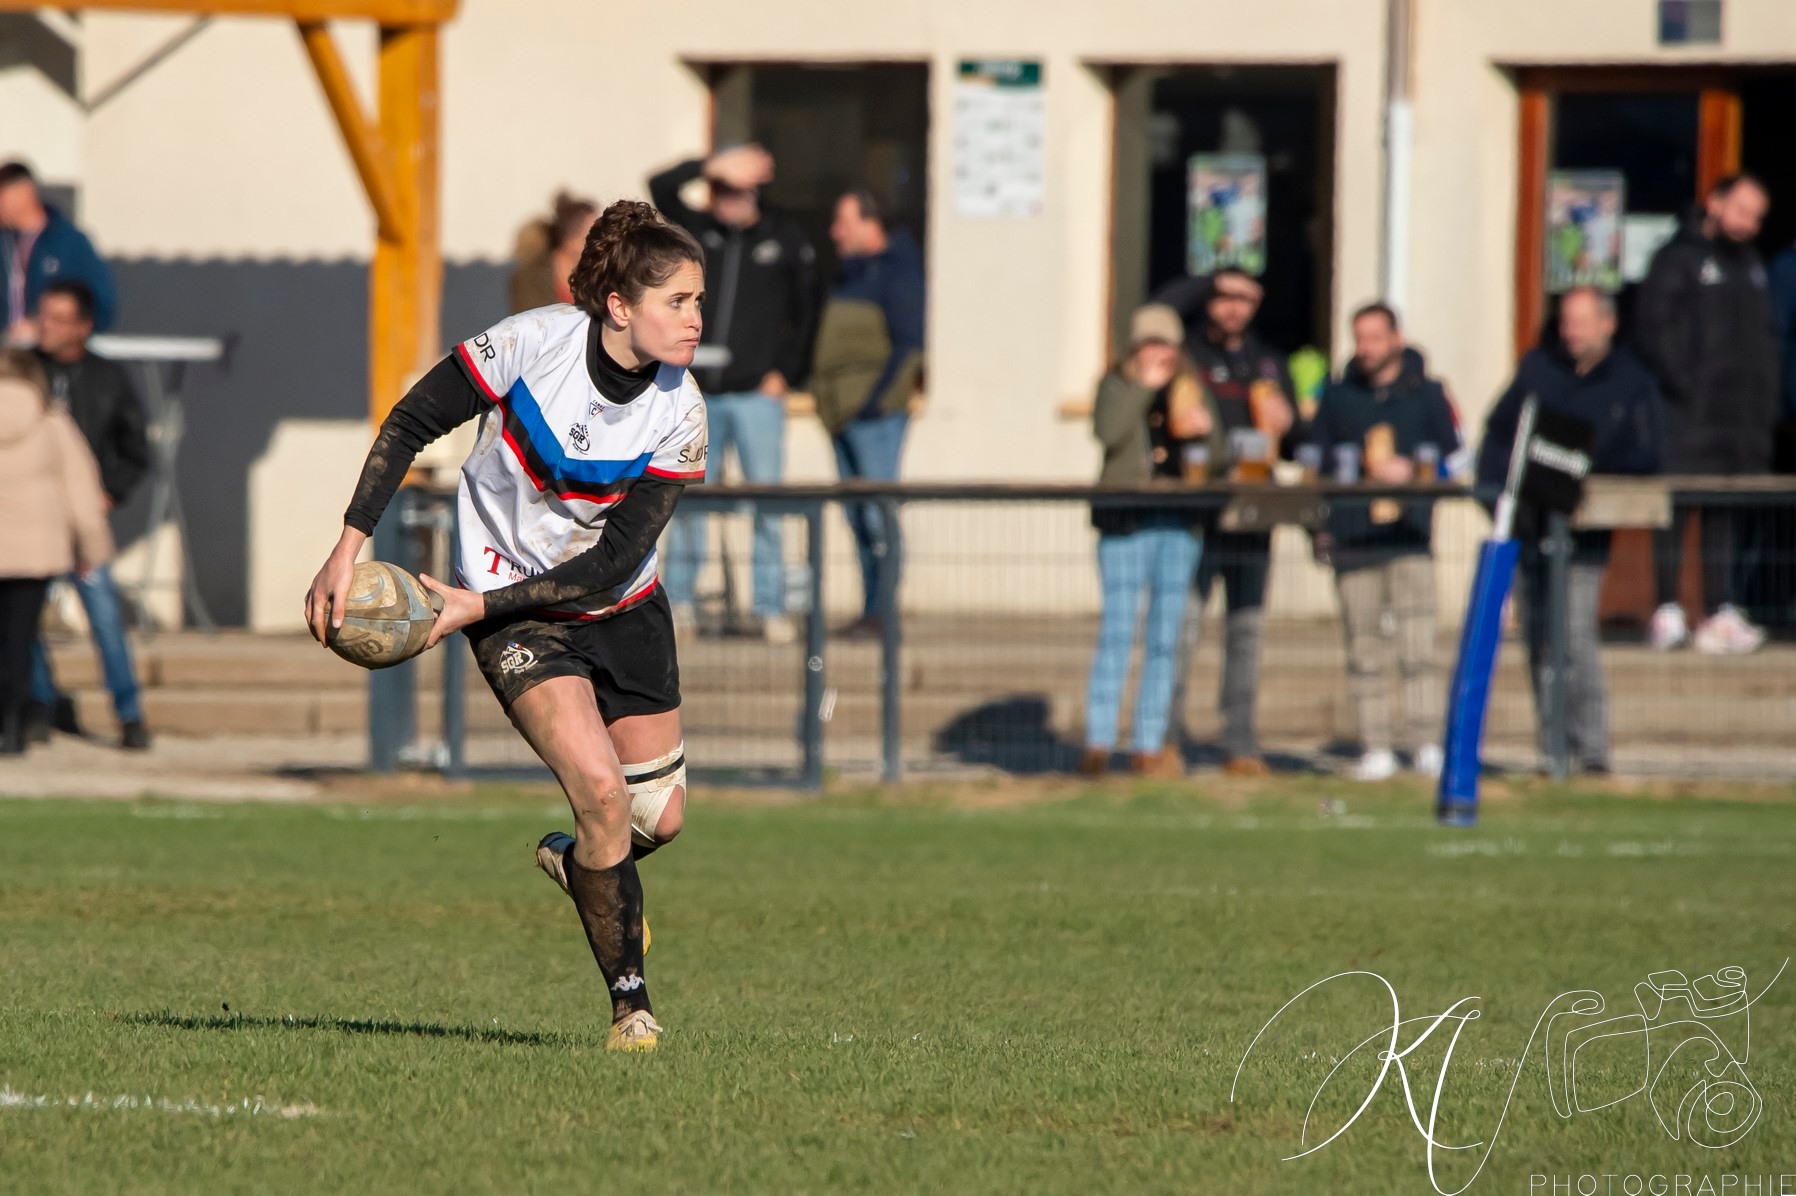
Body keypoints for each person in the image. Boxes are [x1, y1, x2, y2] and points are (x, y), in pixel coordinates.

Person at [304, 200, 710, 1052]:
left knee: (655, 820)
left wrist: (463, 611)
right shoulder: (533, 343)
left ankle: (578, 864)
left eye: (699, 301)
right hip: (515, 612)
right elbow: (413, 419)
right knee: (601, 795)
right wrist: (349, 547)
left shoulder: (683, 409)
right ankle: (630, 1006)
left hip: (619, 607)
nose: (696, 319)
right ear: (620, 306)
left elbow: (606, 564)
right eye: (678, 301)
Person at [1479, 287, 1664, 775]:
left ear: (1607, 324)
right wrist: (1501, 500)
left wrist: (1582, 469)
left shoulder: (1631, 382)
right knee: (1538, 637)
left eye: (1581, 322)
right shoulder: (1538, 371)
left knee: (1575, 634)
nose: (1572, 332)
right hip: (1529, 528)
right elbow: (1499, 439)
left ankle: (1593, 750)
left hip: (1584, 537)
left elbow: (1647, 455)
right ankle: (1553, 748)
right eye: (1566, 322)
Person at [649, 145, 818, 643]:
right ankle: (681, 600)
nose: (724, 199)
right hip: (697, 391)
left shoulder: (784, 238)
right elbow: (660, 185)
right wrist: (710, 165)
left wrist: (786, 373)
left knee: (765, 500)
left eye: (733, 189)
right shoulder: (696, 233)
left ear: (755, 191)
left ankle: (770, 606)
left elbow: (808, 310)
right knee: (691, 499)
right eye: (717, 189)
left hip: (756, 396)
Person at [1309, 304, 1460, 782]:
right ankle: (1375, 747)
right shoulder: (1337, 395)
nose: (1367, 348)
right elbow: (1313, 459)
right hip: (1354, 540)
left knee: (1418, 648)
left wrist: (1415, 472)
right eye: (1360, 338)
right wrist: (1321, 523)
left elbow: (1459, 458)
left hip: (1409, 537)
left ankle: (1425, 743)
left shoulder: (1428, 393)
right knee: (1363, 650)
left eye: (1376, 337)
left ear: (1396, 338)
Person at [1154, 267, 1296, 775]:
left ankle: (1240, 743)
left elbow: (1297, 444)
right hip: (1197, 518)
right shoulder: (1188, 357)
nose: (1234, 308)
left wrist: (1289, 422)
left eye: (1246, 299)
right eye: (1225, 297)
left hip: (1253, 519)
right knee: (1181, 630)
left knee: (1246, 632)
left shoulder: (1268, 363)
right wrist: (1213, 276)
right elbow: (1160, 309)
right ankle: (1163, 737)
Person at [1634, 174, 1779, 655]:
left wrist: (1764, 403)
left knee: (1724, 512)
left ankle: (1719, 610)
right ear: (1715, 203)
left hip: (1740, 420)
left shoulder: (1752, 268)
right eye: (1740, 210)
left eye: (1756, 216)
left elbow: (1764, 339)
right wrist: (1686, 385)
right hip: (1689, 413)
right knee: (1675, 508)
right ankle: (1667, 609)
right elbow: (1654, 327)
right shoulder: (1678, 258)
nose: (1747, 224)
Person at [1080, 304, 1221, 778]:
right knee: (1118, 631)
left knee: (1165, 637)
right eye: (1149, 344)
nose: (1157, 353)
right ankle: (1099, 740)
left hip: (1178, 521)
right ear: (1136, 347)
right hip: (1126, 522)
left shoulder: (1191, 387)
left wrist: (1205, 430)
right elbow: (1108, 433)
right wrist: (1145, 387)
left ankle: (1148, 743)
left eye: (1165, 345)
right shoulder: (1117, 384)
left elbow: (1218, 452)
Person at [25, 281, 153, 749]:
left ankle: (129, 713)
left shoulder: (107, 378)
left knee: (104, 618)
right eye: (44, 316)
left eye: (60, 319)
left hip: (84, 525)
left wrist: (106, 496)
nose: (47, 327)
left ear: (83, 326)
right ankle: (38, 705)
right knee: (23, 618)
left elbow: (136, 450)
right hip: (32, 523)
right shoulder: (23, 372)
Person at [810, 188, 925, 638]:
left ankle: (884, 612)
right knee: (857, 516)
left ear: (869, 223)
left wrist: (874, 402)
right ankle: (869, 608)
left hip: (873, 417)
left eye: (843, 222)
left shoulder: (899, 273)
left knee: (879, 514)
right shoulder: (849, 275)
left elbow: (910, 348)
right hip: (841, 414)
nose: (835, 232)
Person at [0, 349, 113, 754]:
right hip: (36, 550)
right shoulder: (51, 421)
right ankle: (14, 726)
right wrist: (91, 547)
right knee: (21, 638)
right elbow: (81, 490)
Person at [0, 161, 119, 342]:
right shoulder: (6, 242)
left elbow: (100, 306)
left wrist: (44, 327)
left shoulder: (68, 242)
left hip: (48, 357)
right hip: (8, 356)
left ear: (24, 193)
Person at [508, 192, 597, 314]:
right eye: (593, 234)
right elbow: (529, 324)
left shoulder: (600, 273)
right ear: (570, 239)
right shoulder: (529, 278)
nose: (601, 240)